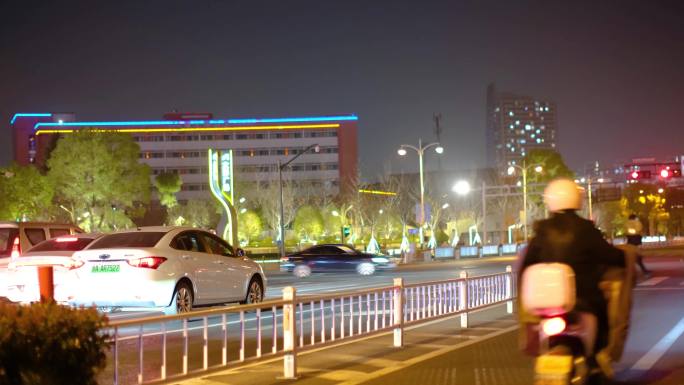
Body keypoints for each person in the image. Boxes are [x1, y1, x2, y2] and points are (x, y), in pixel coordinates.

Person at [520, 178, 626, 353]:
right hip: (583, 300)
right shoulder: (586, 229)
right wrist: (624, 256)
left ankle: (533, 346)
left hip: (547, 301)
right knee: (605, 316)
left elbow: (527, 263)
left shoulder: (542, 231)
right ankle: (598, 357)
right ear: (577, 199)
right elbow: (610, 256)